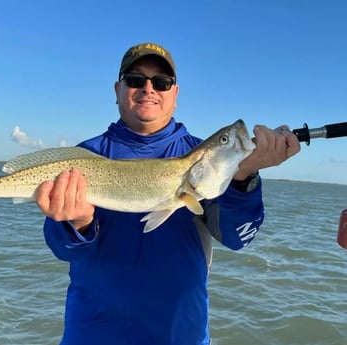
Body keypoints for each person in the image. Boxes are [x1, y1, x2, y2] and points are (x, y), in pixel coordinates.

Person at [36, 42, 300, 345]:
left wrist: (243, 176)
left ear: (175, 95)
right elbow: (63, 250)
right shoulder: (84, 158)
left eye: (162, 82)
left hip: (181, 335)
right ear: (117, 90)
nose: (149, 88)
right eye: (135, 80)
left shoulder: (204, 159)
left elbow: (238, 238)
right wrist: (79, 222)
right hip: (93, 333)